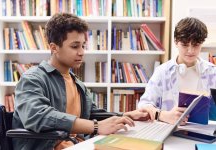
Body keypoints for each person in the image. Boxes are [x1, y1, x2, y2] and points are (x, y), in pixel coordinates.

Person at [12, 13, 152, 150]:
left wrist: (124, 116)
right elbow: (38, 116)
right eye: (75, 46)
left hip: (80, 144)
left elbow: (91, 113)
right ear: (54, 48)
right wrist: (96, 127)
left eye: (83, 46)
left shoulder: (76, 82)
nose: (82, 52)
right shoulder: (32, 79)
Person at [138, 17, 216, 125]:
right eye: (185, 45)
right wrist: (163, 115)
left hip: (205, 135)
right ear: (176, 42)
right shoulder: (162, 72)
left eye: (196, 45)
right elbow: (143, 106)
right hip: (169, 132)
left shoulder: (212, 72)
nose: (190, 51)